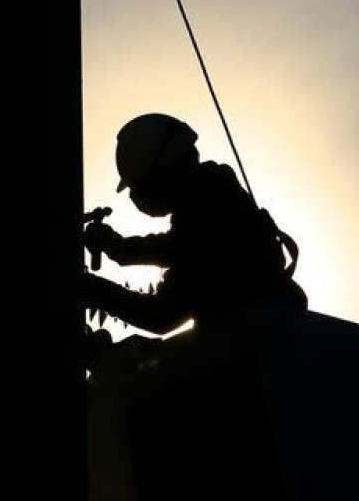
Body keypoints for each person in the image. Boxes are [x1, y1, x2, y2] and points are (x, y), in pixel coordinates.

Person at [85, 113, 306, 335]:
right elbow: (177, 246)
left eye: (141, 188)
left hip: (257, 339)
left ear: (162, 174)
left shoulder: (208, 208)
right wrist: (119, 249)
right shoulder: (213, 194)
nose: (139, 198)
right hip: (267, 327)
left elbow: (160, 315)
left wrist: (89, 287)